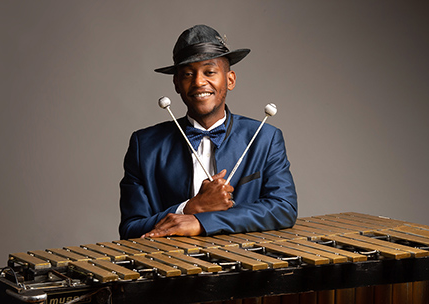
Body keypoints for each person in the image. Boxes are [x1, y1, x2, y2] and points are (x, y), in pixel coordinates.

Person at [119, 25, 297, 239]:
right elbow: (130, 229)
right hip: (170, 266)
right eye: (187, 74)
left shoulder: (265, 138)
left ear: (230, 80)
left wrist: (200, 221)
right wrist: (190, 207)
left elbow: (283, 208)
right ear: (176, 83)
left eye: (209, 72)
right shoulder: (144, 145)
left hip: (244, 265)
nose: (198, 82)